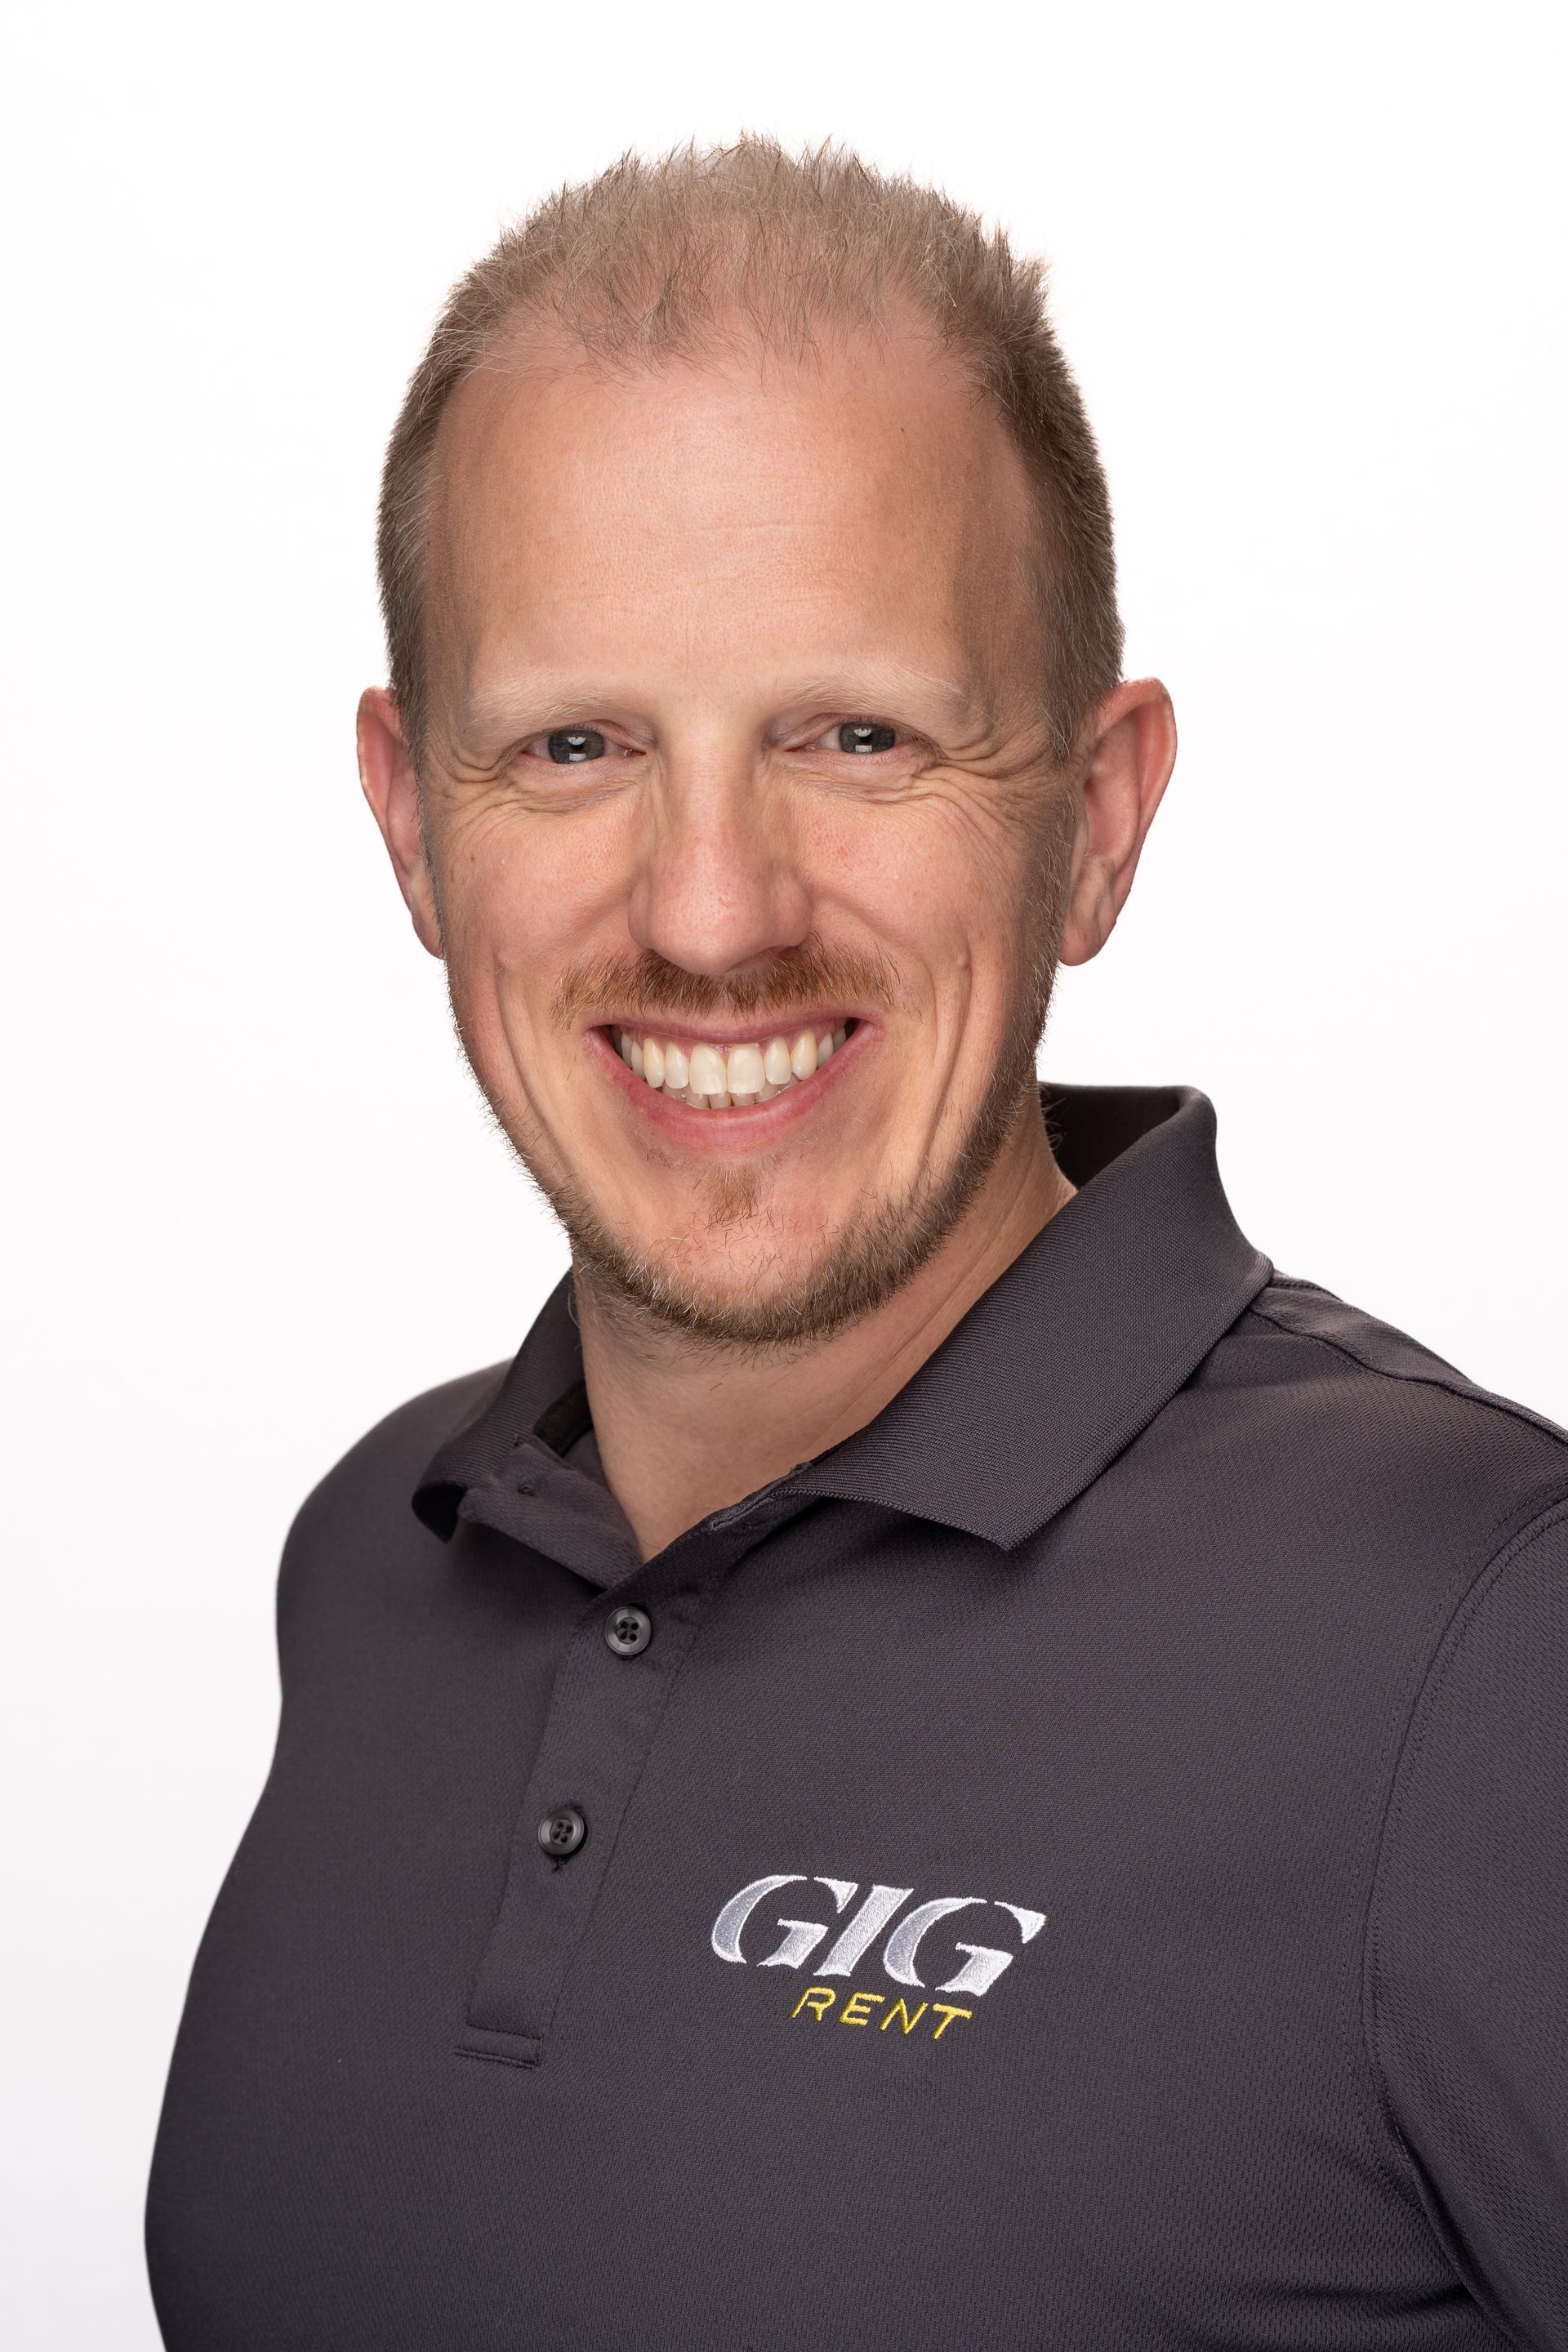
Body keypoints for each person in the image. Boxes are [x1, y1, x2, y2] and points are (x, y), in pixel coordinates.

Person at [145, 139, 1568, 2350]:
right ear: (414, 822)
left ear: (1091, 826)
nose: (714, 910)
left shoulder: (1490, 1644)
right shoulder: (375, 1559)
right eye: (578, 742)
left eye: (857, 734)